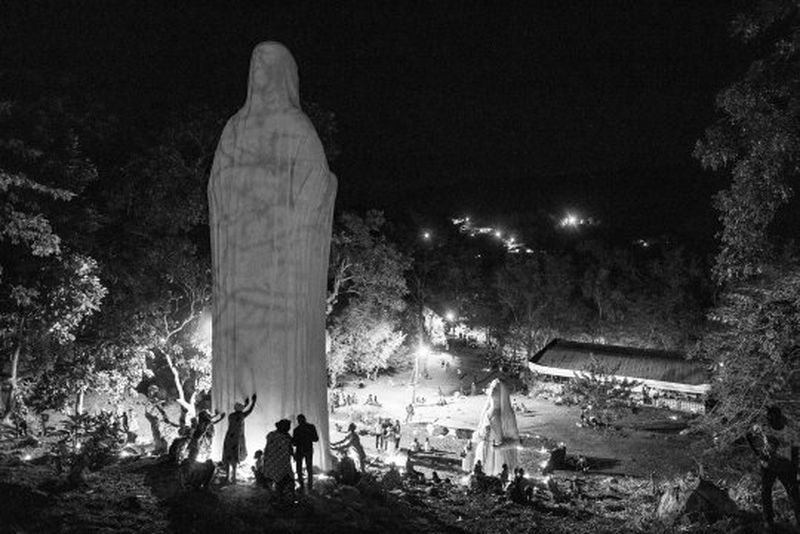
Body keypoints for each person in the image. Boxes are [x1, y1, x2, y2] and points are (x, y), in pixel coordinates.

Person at [746, 405, 800, 527]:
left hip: (786, 466)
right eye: (769, 418)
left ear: (780, 417)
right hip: (768, 465)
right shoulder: (763, 427)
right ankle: (768, 521)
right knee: (766, 492)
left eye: (773, 418)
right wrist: (758, 453)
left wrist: (795, 468)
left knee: (794, 495)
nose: (771, 420)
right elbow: (749, 435)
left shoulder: (790, 430)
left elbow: (795, 450)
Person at [470, 378, 521, 476]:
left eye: (496, 389)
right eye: (492, 387)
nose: (493, 390)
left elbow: (516, 442)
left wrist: (500, 447)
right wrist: (478, 436)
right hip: (483, 452)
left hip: (499, 457)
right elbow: (480, 432)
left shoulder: (506, 415)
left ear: (502, 393)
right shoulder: (486, 412)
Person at [222, 393, 257, 484]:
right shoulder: (241, 416)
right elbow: (249, 411)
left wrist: (245, 405)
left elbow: (240, 411)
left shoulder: (231, 416)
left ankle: (226, 477)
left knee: (228, 456)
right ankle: (233, 478)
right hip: (236, 439)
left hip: (229, 437)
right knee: (234, 457)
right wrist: (253, 402)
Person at [263, 419, 295, 503]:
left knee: (284, 479)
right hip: (275, 461)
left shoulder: (285, 436)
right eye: (287, 426)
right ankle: (278, 497)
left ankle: (281, 497)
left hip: (282, 462)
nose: (288, 428)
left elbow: (290, 447)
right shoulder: (273, 435)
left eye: (289, 427)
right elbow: (267, 448)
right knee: (280, 479)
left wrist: (293, 454)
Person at [292, 413, 319, 491]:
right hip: (306, 450)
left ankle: (304, 486)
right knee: (307, 468)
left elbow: (294, 443)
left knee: (302, 469)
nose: (300, 422)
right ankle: (307, 486)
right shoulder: (310, 427)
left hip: (301, 451)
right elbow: (316, 439)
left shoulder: (297, 430)